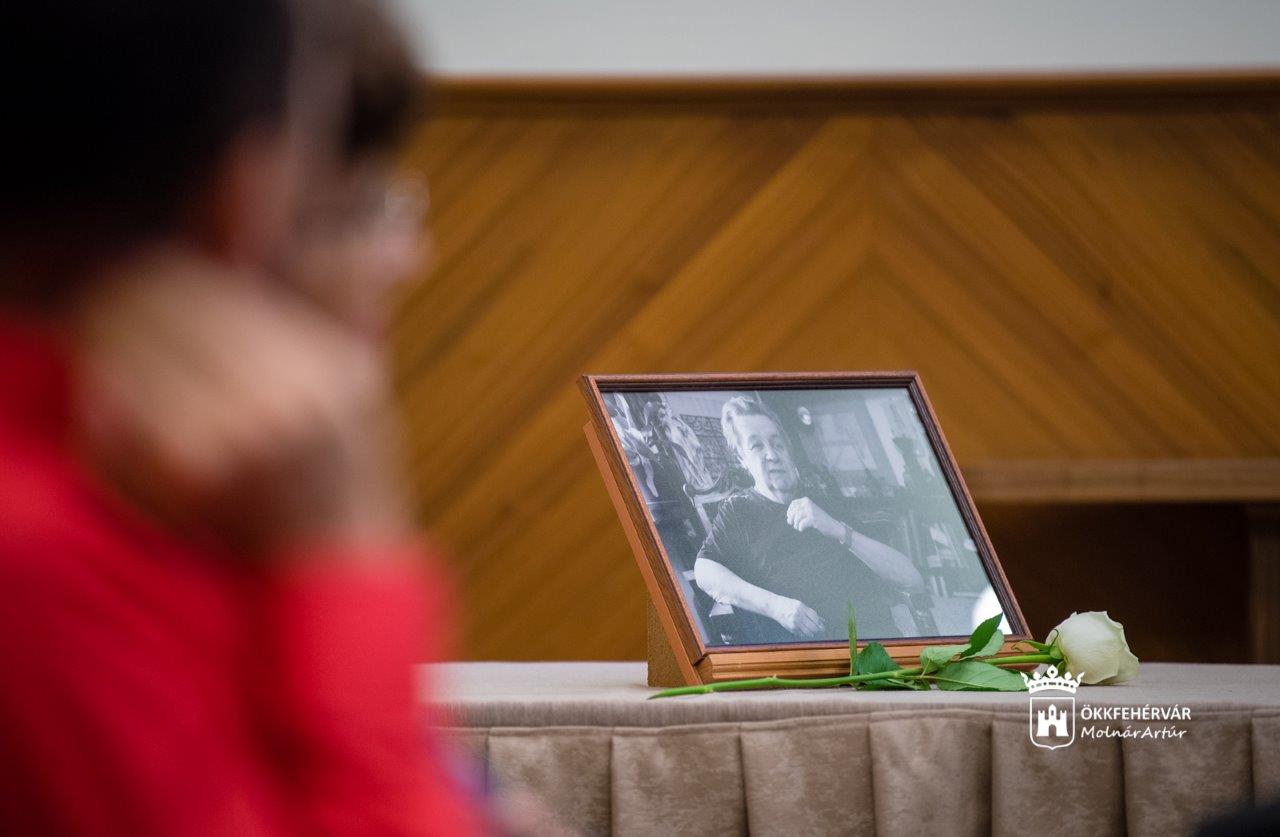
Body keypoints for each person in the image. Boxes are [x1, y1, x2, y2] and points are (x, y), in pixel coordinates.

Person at [0, 1, 486, 833]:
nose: (408, 255)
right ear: (242, 187)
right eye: (349, 205)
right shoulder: (60, 556)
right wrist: (346, 550)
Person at [693, 396, 924, 643]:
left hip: (876, 640)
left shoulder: (824, 500)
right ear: (742, 459)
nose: (772, 454)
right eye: (756, 446)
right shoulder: (739, 510)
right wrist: (776, 607)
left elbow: (912, 579)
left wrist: (837, 530)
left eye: (777, 444)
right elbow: (704, 571)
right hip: (818, 652)